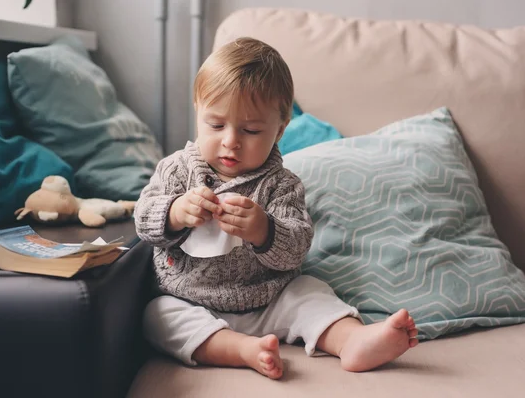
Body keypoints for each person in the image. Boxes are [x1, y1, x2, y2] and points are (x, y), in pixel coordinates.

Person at [135, 37, 418, 380]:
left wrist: (263, 230)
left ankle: (353, 340)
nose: (230, 141)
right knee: (156, 315)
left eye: (251, 130)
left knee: (310, 292)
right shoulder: (176, 170)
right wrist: (175, 212)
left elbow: (296, 248)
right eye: (216, 124)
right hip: (191, 299)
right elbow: (143, 219)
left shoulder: (282, 185)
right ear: (197, 110)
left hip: (269, 300)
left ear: (280, 129)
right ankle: (241, 349)